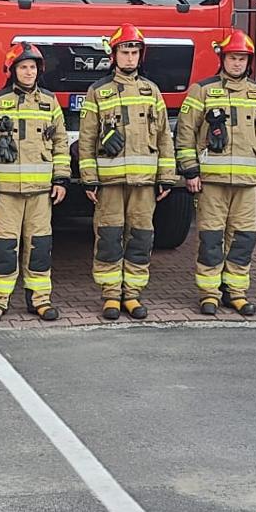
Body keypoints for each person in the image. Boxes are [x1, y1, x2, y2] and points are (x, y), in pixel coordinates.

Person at [175, 30, 256, 316]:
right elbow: (185, 133)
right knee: (210, 238)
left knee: (243, 239)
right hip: (211, 182)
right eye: (233, 58)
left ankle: (236, 293)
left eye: (242, 59)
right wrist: (191, 172)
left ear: (249, 61)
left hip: (247, 184)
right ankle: (209, 293)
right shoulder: (203, 90)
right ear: (223, 59)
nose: (237, 63)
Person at [79, 23, 177, 320]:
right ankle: (110, 295)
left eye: (135, 51)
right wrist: (89, 179)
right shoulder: (98, 91)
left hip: (144, 184)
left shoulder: (152, 91)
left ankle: (132, 295)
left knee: (140, 238)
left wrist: (167, 177)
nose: (130, 57)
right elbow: (87, 138)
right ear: (114, 55)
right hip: (109, 182)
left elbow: (163, 137)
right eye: (125, 51)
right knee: (108, 238)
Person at [0, 42, 70, 322]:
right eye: (23, 67)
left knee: (40, 247)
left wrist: (61, 179)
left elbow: (61, 144)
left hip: (41, 193)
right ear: (12, 70)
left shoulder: (50, 102)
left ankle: (40, 300)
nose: (28, 72)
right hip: (5, 193)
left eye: (32, 67)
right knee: (4, 248)